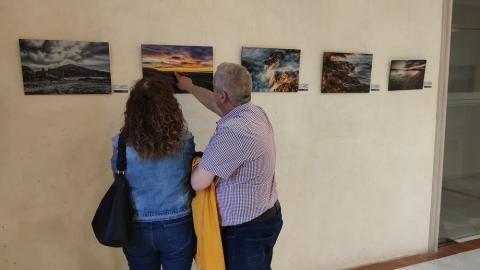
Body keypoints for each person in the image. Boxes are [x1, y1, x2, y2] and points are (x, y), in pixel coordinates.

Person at [175, 63, 282, 270]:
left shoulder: (234, 131)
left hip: (245, 230)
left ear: (223, 95)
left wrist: (194, 163)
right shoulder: (254, 112)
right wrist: (189, 86)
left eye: (216, 90)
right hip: (266, 216)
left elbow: (199, 182)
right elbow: (216, 104)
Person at [111, 77, 196, 270]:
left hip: (136, 225)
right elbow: (189, 175)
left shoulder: (121, 142)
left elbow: (119, 177)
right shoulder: (184, 140)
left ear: (133, 109)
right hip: (177, 223)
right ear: (170, 106)